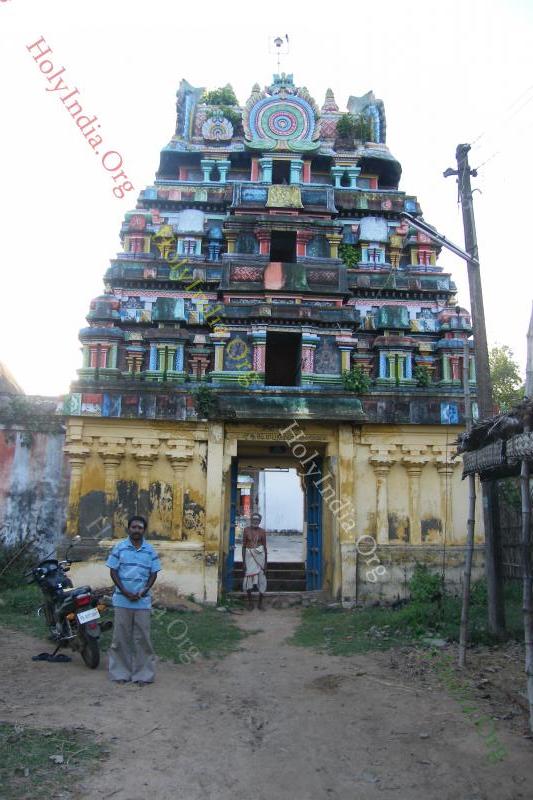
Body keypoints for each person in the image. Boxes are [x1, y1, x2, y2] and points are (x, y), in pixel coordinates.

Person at [105, 515, 161, 685]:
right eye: (134, 527)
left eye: (140, 527)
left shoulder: (150, 550)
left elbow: (154, 573)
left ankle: (143, 675)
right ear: (129, 529)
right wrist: (125, 591)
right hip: (122, 601)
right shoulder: (119, 548)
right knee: (120, 638)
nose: (137, 530)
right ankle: (120, 673)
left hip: (142, 602)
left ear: (144, 530)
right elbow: (113, 571)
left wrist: (145, 590)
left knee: (142, 639)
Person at [242, 512, 267, 611]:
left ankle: (260, 604)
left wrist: (266, 564)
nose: (255, 521)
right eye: (254, 520)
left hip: (260, 558)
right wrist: (243, 562)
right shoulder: (246, 530)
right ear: (251, 520)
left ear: (260, 521)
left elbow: (265, 547)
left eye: (257, 520)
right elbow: (244, 546)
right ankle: (250, 603)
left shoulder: (262, 532)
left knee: (262, 580)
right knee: (249, 580)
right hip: (249, 559)